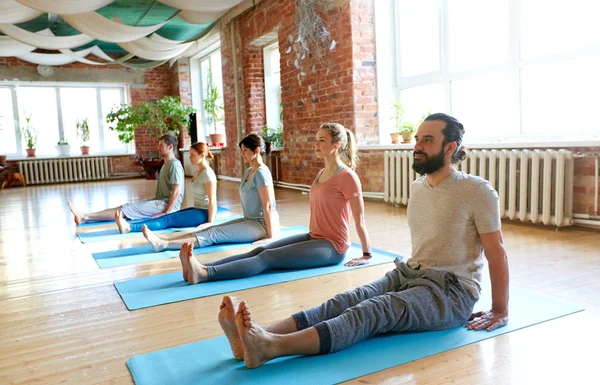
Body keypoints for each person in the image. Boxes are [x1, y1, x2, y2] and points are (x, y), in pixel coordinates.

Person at [216, 113, 510, 367]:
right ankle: (255, 336)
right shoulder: (419, 188)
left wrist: (499, 310)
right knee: (346, 299)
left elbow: (497, 253)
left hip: (451, 293)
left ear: (450, 148)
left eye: (427, 141)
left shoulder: (477, 191)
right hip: (410, 273)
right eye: (417, 139)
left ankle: (270, 347)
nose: (417, 146)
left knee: (372, 310)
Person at [177, 123, 372, 284]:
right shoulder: (321, 174)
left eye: (322, 141)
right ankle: (204, 267)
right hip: (313, 236)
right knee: (261, 250)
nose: (316, 144)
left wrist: (366, 254)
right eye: (316, 140)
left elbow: (360, 220)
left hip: (333, 247)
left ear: (336, 145)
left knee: (267, 258)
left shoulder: (348, 177)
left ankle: (204, 274)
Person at [142, 133, 279, 252]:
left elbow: (267, 205)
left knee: (214, 233)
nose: (242, 153)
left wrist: (270, 236)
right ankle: (164, 240)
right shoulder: (249, 171)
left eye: (245, 150)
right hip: (250, 220)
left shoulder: (261, 172)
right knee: (207, 230)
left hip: (263, 225)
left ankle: (164, 244)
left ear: (256, 151)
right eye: (242, 150)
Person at [67, 134, 184, 224]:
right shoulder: (166, 164)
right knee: (125, 207)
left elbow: (177, 192)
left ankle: (85, 217)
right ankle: (86, 216)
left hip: (167, 206)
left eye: (161, 145)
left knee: (127, 211)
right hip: (159, 201)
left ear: (170, 147)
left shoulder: (174, 165)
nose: (157, 148)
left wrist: (166, 213)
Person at [114, 142, 217, 233]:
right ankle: (130, 226)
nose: (190, 157)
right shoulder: (198, 172)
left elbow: (212, 200)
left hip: (204, 213)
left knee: (167, 220)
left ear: (202, 155)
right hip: (197, 209)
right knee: (166, 217)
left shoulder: (208, 174)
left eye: (192, 155)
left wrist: (210, 222)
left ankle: (129, 228)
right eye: (190, 154)